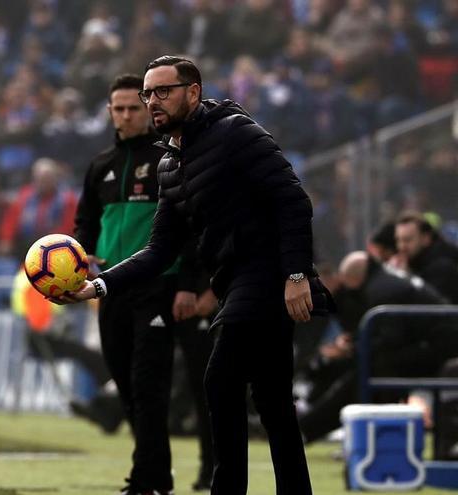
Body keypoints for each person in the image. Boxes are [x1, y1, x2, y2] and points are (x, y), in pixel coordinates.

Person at [54, 55, 332, 495]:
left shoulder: (235, 132)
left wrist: (297, 274)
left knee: (219, 379)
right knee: (273, 403)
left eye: (162, 91)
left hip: (266, 274)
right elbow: (158, 250)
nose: (152, 102)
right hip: (237, 282)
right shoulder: (170, 164)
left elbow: (293, 200)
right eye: (148, 93)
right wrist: (98, 285)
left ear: (193, 92)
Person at [72, 73, 213, 494]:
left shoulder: (169, 158)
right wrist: (78, 259)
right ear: (110, 112)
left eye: (135, 107)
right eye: (120, 108)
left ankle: (149, 479)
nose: (128, 115)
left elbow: (189, 227)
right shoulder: (100, 166)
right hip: (111, 287)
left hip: (160, 286)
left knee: (149, 385)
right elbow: (85, 225)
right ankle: (157, 472)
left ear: (148, 109)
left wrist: (189, 283)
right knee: (127, 384)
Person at [299, 251, 454, 443]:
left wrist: (353, 348)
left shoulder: (380, 290)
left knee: (374, 371)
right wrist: (355, 344)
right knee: (369, 368)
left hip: (440, 349)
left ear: (351, 279)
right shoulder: (384, 280)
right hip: (435, 344)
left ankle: (368, 436)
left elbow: (390, 339)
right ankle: (315, 427)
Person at [393, 211, 458, 303]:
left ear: (425, 239)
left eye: (407, 240)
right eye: (398, 240)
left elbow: (435, 307)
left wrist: (406, 278)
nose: (401, 246)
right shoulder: (413, 262)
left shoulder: (443, 267)